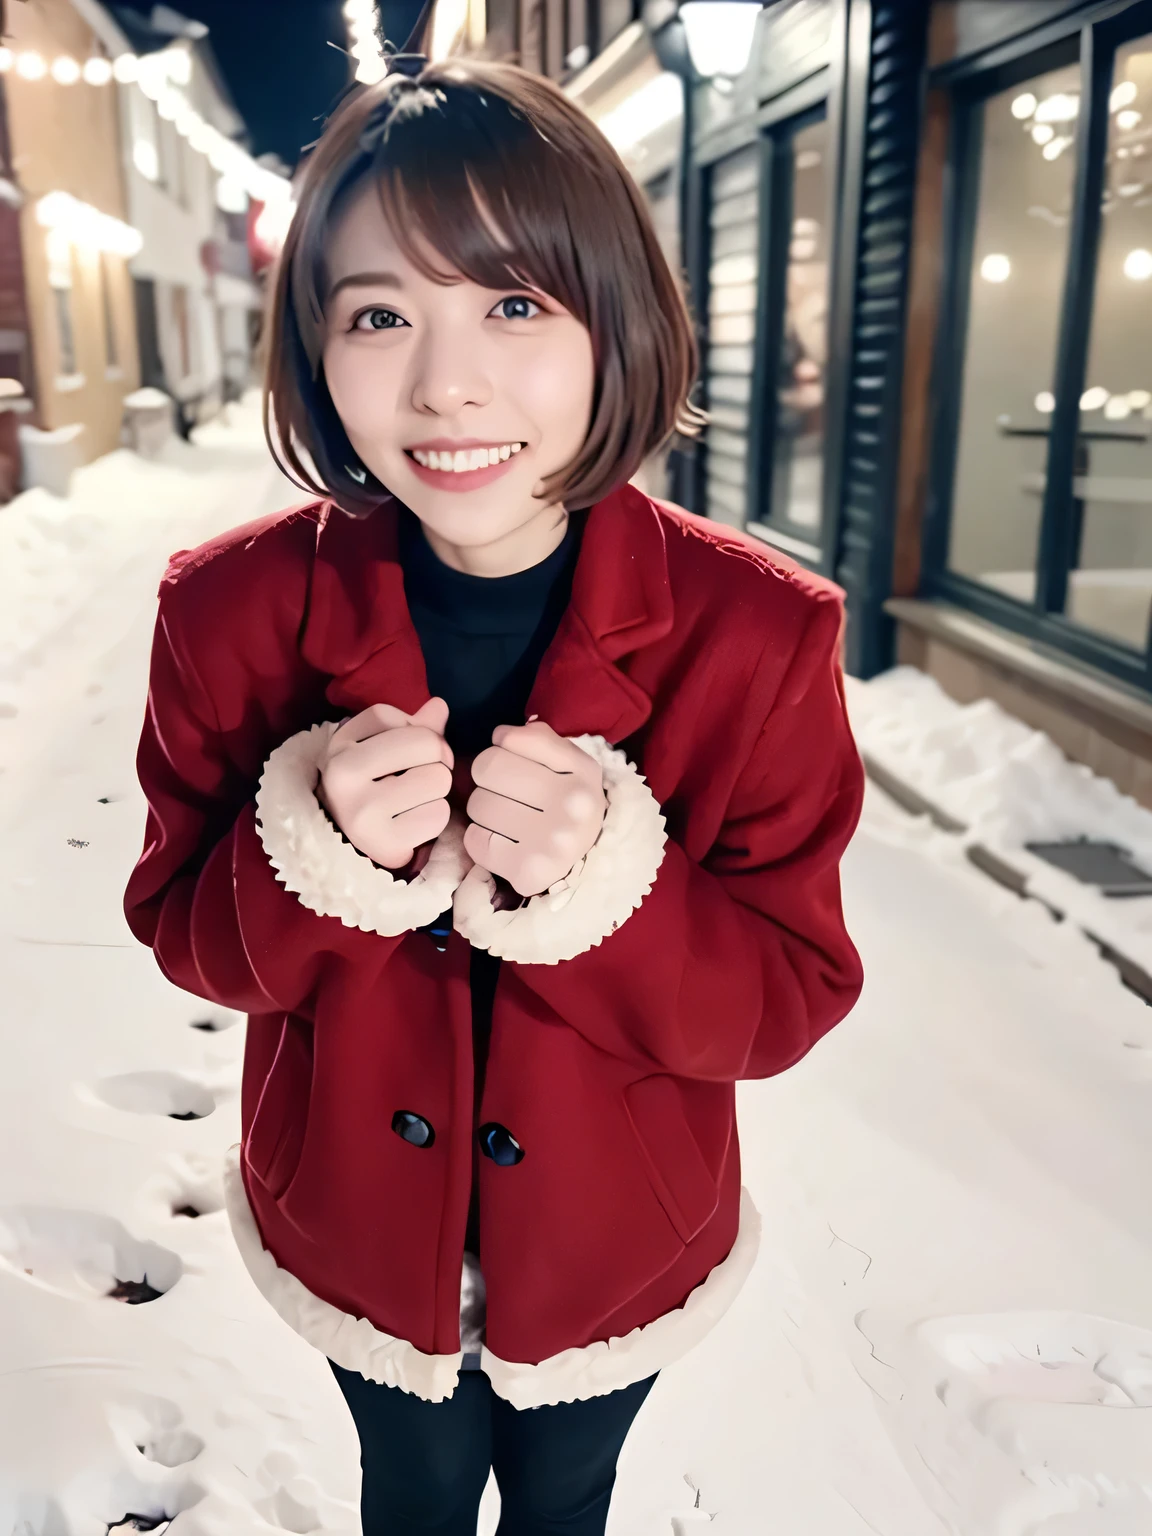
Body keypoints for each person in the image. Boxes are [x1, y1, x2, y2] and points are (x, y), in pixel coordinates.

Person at [124, 55, 864, 1536]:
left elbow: (789, 993)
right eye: (380, 314)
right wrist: (309, 850)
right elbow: (184, 931)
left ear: (617, 323)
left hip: (617, 1233)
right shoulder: (228, 612)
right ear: (317, 350)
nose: (445, 382)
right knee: (407, 1490)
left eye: (516, 305)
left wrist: (616, 893)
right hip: (349, 1212)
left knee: (567, 1495)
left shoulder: (761, 634)